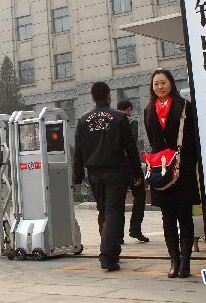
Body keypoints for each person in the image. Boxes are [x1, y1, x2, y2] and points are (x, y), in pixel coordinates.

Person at [73, 82, 142, 271]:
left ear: (93, 97)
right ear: (109, 96)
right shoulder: (119, 117)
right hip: (116, 171)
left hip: (94, 174)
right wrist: (137, 172)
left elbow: (78, 152)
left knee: (103, 210)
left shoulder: (83, 120)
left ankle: (112, 250)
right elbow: (131, 148)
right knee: (114, 212)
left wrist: (78, 177)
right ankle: (107, 255)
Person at [143, 69, 199, 279]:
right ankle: (173, 260)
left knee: (184, 215)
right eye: (156, 84)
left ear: (171, 84)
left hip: (182, 169)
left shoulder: (184, 106)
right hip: (161, 171)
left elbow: (193, 137)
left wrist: (185, 159)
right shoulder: (149, 109)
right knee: (167, 217)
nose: (159, 87)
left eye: (163, 83)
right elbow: (152, 139)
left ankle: (185, 262)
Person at [117, 99, 149, 243]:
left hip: (117, 168)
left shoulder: (112, 122)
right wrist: (137, 171)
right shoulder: (132, 122)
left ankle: (118, 235)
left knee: (117, 201)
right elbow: (132, 144)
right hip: (131, 166)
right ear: (129, 109)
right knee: (140, 197)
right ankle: (135, 229)